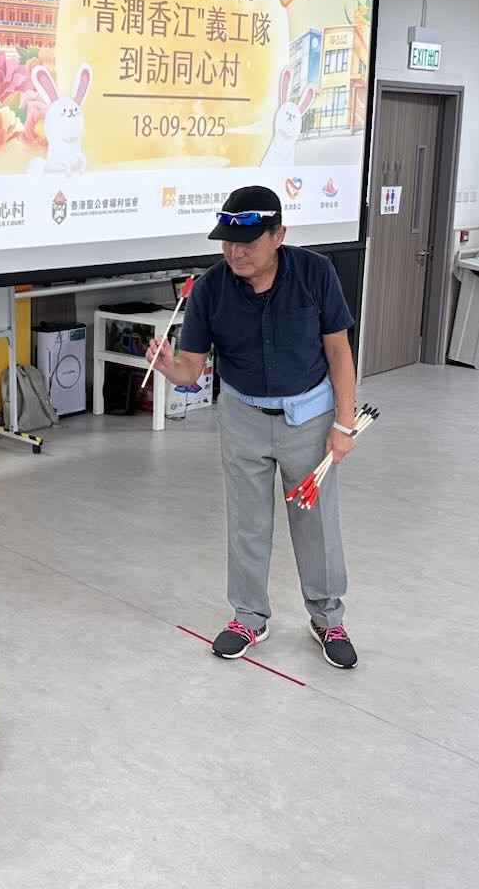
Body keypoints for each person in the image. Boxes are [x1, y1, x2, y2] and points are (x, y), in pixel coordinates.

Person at [146, 185, 360, 669]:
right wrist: (168, 366)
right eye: (227, 242)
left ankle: (327, 618)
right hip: (242, 417)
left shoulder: (315, 273)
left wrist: (344, 424)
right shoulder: (209, 289)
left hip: (309, 418)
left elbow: (338, 351)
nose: (234, 252)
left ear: (278, 235)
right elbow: (191, 369)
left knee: (315, 521)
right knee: (247, 521)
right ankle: (248, 616)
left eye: (246, 242)